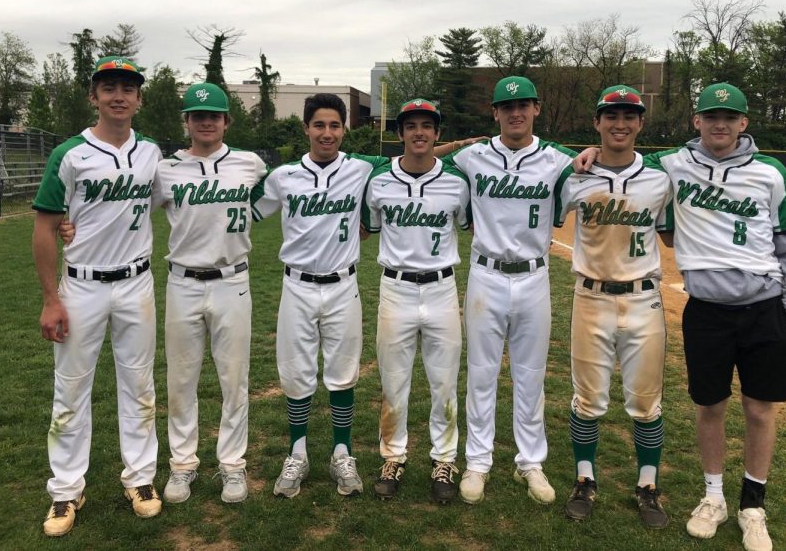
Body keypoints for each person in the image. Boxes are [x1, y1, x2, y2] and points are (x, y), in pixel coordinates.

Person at [578, 82, 786, 551]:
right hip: (706, 310)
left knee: (759, 408)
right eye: (711, 117)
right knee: (710, 406)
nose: (720, 125)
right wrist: (590, 151)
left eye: (729, 118)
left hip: (765, 307)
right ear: (697, 122)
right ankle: (712, 498)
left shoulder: (771, 172)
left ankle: (753, 505)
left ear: (744, 123)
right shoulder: (673, 164)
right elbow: (620, 155)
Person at [253, 93, 472, 499]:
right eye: (318, 125)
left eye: (334, 125)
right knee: (297, 374)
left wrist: (456, 146)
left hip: (345, 283)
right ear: (306, 128)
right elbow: (245, 208)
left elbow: (416, 154)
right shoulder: (283, 176)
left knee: (343, 372)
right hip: (296, 285)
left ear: (344, 130)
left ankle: (343, 453)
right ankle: (297, 452)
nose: (326, 133)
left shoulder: (361, 168)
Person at [32, 56, 163, 537]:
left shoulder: (152, 152)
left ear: (139, 98)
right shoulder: (69, 153)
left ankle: (141, 478)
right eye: (109, 87)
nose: (119, 96)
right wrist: (51, 298)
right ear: (94, 96)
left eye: (128, 88)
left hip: (136, 282)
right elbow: (46, 228)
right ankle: (65, 490)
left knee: (139, 384)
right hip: (82, 285)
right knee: (70, 388)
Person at [442, 76, 577, 506]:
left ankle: (530, 462)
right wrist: (458, 141)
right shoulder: (473, 157)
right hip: (486, 275)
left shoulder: (557, 160)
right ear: (495, 113)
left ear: (537, 109)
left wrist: (590, 152)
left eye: (524, 105)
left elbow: (598, 160)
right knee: (481, 373)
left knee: (530, 374)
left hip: (535, 276)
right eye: (507, 106)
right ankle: (477, 462)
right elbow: (419, 157)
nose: (516, 112)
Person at [554, 85, 673, 528]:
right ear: (597, 123)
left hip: (644, 299)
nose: (620, 123)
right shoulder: (575, 177)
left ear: (641, 123)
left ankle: (647, 484)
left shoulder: (662, 177)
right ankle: (585, 478)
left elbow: (673, 230)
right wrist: (580, 155)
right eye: (611, 116)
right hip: (591, 298)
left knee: (646, 403)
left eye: (629, 115)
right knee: (588, 400)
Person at [156, 83, 268, 504]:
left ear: (226, 121)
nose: (206, 122)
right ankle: (182, 466)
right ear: (186, 121)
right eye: (197, 115)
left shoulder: (249, 163)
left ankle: (233, 465)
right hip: (182, 282)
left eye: (214, 116)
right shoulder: (165, 170)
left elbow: (282, 192)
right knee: (181, 380)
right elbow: (126, 209)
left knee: (234, 379)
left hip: (232, 281)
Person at [362, 99, 471, 504]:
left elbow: (467, 224)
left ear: (437, 133)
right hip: (396, 289)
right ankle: (393, 456)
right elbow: (370, 227)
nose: (419, 132)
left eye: (427, 125)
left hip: (442, 288)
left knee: (444, 381)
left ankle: (444, 459)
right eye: (411, 126)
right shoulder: (379, 180)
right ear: (401, 133)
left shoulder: (457, 182)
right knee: (394, 381)